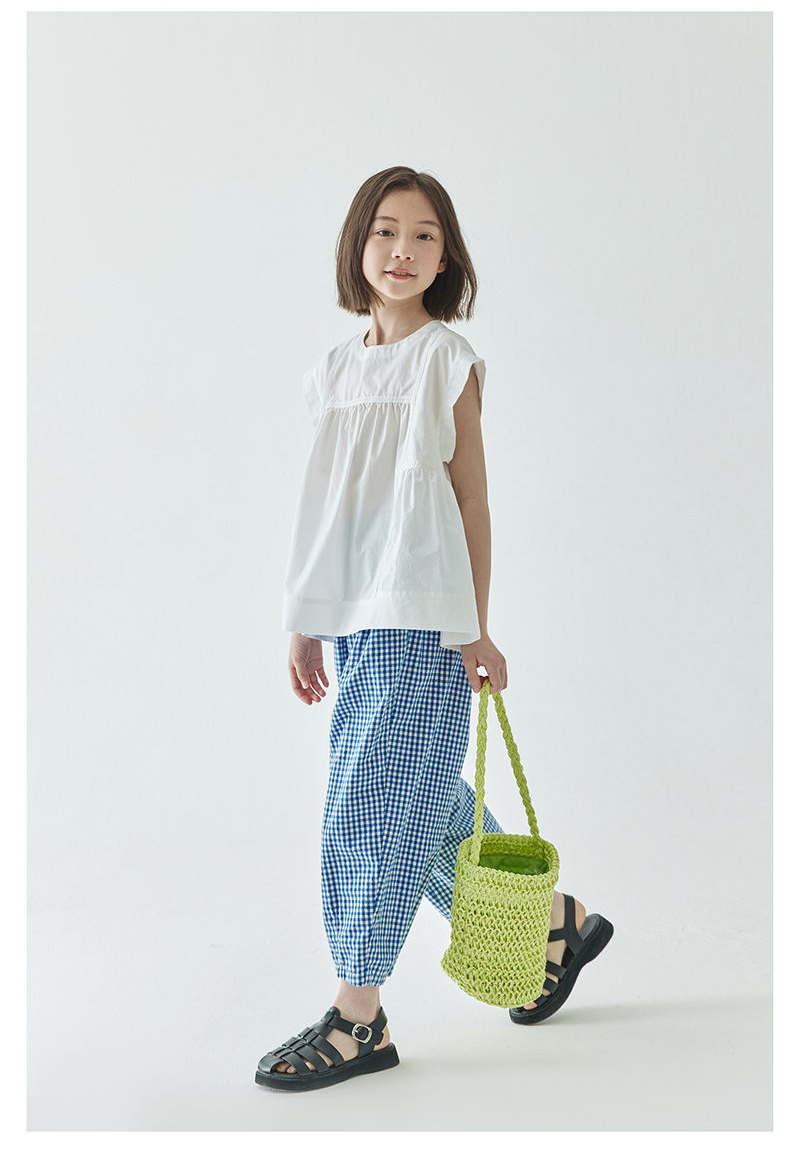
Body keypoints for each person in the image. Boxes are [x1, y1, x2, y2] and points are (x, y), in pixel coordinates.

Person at [255, 166, 613, 1092]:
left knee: (371, 804)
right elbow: (329, 510)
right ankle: (553, 924)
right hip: (353, 618)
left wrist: (476, 628)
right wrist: (305, 620)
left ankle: (358, 1015)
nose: (402, 250)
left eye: (424, 236)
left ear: (446, 257)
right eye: (385, 231)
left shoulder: (446, 361)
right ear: (357, 245)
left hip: (424, 618)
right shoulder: (332, 372)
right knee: (407, 790)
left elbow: (470, 503)